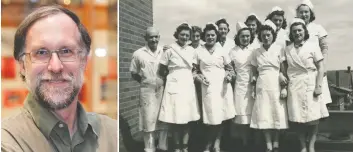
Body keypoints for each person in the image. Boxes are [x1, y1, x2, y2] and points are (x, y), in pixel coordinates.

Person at [1, 5, 116, 151]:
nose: (55, 67)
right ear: (23, 66)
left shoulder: (113, 135)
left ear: (84, 61)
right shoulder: (7, 142)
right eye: (41, 52)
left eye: (66, 51)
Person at [284, 18, 329, 152]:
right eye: (294, 31)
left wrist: (318, 86)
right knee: (298, 119)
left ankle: (311, 146)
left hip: (310, 83)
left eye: (300, 30)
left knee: (313, 119)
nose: (297, 33)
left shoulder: (313, 46)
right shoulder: (287, 49)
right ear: (291, 34)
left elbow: (320, 67)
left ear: (304, 31)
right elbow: (284, 68)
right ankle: (303, 146)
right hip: (295, 86)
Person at [158, 23, 200, 152]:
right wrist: (171, 78)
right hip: (174, 83)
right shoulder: (170, 49)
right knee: (175, 118)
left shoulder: (192, 50)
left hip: (187, 83)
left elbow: (194, 68)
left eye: (187, 35)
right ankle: (177, 147)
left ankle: (185, 147)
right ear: (177, 35)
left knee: (187, 118)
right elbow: (161, 69)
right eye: (182, 34)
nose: (185, 37)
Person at [195, 23, 236, 152]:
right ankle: (208, 144)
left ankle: (217, 143)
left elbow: (231, 70)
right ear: (204, 36)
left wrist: (229, 76)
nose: (210, 37)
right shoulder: (198, 51)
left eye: (213, 35)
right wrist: (199, 78)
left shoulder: (222, 51)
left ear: (216, 36)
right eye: (207, 35)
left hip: (222, 87)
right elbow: (194, 71)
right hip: (208, 87)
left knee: (222, 116)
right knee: (210, 117)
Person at [250, 20, 289, 152]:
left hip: (276, 84)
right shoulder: (256, 52)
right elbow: (254, 72)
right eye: (263, 35)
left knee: (276, 112)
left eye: (268, 35)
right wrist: (253, 87)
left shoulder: (279, 49)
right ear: (260, 36)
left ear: (273, 35)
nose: (266, 37)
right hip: (262, 85)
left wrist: (284, 87)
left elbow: (283, 70)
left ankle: (276, 142)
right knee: (264, 113)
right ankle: (268, 144)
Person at [130, 27, 169, 152]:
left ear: (159, 37)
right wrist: (146, 82)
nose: (154, 39)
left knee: (163, 119)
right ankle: (149, 147)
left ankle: (163, 146)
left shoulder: (165, 51)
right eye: (151, 37)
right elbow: (134, 72)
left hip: (162, 89)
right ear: (145, 38)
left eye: (156, 37)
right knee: (148, 120)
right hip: (147, 91)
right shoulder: (138, 54)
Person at [296, 0, 332, 105]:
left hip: (317, 68)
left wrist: (323, 65)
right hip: (301, 69)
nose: (303, 14)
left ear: (311, 13)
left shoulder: (318, 28)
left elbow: (324, 48)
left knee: (318, 100)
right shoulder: (294, 29)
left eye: (306, 12)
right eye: (301, 12)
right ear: (297, 14)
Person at [229, 22, 256, 150]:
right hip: (239, 86)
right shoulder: (233, 52)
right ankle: (243, 143)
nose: (245, 39)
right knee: (241, 116)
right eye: (243, 36)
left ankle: (253, 143)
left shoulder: (254, 50)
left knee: (254, 115)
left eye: (247, 36)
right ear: (238, 37)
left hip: (253, 85)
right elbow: (230, 69)